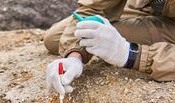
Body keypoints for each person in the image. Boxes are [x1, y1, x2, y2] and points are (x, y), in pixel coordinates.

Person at [44, 0, 175, 95]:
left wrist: (129, 54)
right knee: (54, 39)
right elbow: (93, 8)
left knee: (107, 32)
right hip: (147, 7)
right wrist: (74, 56)